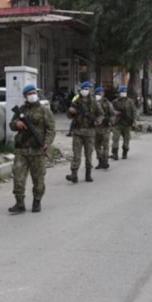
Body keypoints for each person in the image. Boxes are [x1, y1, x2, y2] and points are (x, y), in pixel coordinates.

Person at [8, 84, 56, 213]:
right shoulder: (21, 110)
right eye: (29, 94)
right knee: (18, 177)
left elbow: (51, 129)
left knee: (38, 178)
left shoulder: (44, 110)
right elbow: (11, 125)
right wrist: (17, 124)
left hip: (37, 150)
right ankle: (19, 203)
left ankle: (37, 201)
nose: (32, 95)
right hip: (21, 149)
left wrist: (47, 143)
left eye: (34, 93)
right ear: (25, 96)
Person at [66, 81, 102, 183]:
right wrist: (70, 111)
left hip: (89, 132)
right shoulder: (76, 101)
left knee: (88, 154)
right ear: (81, 90)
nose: (86, 90)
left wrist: (97, 121)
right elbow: (69, 116)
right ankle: (74, 174)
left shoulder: (94, 102)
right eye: (85, 89)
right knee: (76, 154)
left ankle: (88, 174)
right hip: (77, 132)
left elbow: (101, 114)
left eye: (88, 89)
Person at [111, 85, 137, 160]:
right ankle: (115, 153)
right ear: (119, 93)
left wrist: (134, 121)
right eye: (122, 91)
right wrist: (114, 114)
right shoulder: (115, 102)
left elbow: (134, 112)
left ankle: (125, 153)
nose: (123, 93)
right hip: (117, 123)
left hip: (127, 124)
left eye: (125, 91)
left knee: (126, 139)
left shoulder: (130, 101)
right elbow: (110, 112)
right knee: (115, 138)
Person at [94, 86, 115, 170]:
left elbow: (112, 114)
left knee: (105, 145)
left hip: (105, 128)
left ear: (103, 93)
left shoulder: (107, 103)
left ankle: (105, 161)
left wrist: (111, 121)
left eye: (101, 93)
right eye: (98, 93)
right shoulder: (92, 103)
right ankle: (100, 161)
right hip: (95, 128)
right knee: (97, 146)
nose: (100, 94)